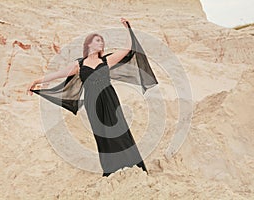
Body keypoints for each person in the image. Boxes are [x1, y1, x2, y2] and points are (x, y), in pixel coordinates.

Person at [26, 18, 158, 177]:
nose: (101, 43)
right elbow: (58, 74)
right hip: (92, 104)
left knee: (120, 132)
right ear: (89, 44)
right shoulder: (79, 65)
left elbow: (127, 49)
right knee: (102, 136)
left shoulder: (106, 60)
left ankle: (135, 167)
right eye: (98, 40)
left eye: (102, 41)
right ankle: (111, 170)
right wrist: (37, 81)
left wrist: (127, 28)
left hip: (110, 99)